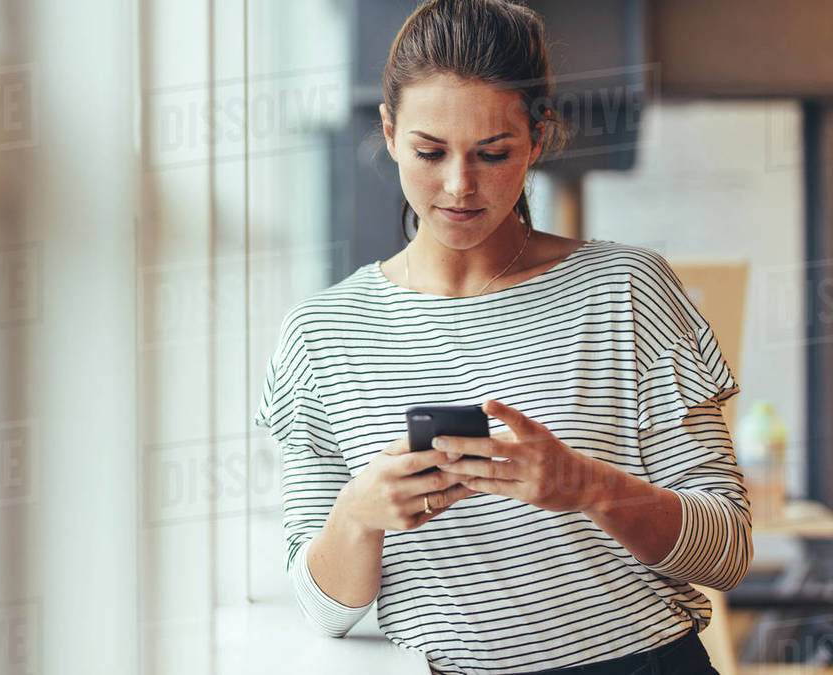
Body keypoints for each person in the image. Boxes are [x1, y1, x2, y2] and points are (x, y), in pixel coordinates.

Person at [252, 1, 750, 673]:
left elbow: (728, 550)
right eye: (430, 151)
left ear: (538, 137)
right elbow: (325, 611)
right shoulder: (322, 335)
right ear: (390, 131)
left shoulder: (628, 288)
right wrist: (359, 512)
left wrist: (589, 485)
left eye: (493, 153)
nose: (460, 186)